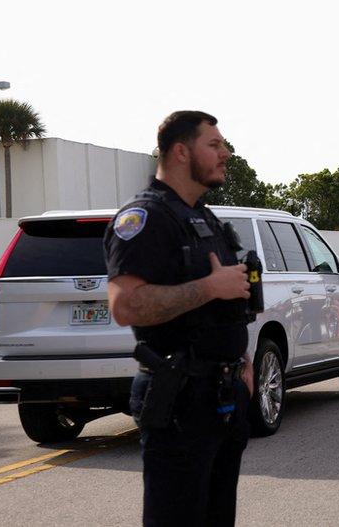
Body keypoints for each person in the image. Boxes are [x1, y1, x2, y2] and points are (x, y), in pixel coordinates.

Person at [105, 111, 254, 526]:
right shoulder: (145, 219)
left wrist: (242, 359)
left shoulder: (204, 218)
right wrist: (210, 287)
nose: (226, 153)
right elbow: (125, 306)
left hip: (221, 396)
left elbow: (227, 302)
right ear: (181, 151)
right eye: (215, 145)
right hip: (180, 399)